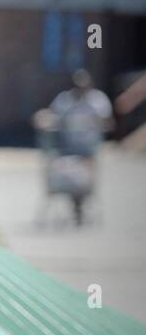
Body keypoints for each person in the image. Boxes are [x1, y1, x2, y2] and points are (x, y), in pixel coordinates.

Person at [46, 69, 113, 226]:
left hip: (88, 150)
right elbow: (51, 117)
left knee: (82, 177)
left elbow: (109, 123)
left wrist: (95, 122)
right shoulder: (64, 100)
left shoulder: (98, 101)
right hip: (66, 149)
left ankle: (79, 205)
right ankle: (75, 204)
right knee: (67, 173)